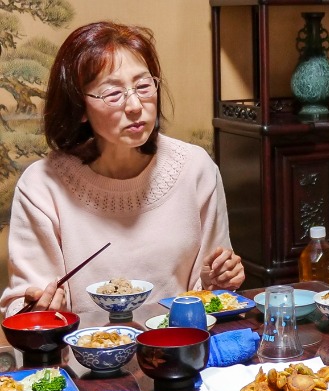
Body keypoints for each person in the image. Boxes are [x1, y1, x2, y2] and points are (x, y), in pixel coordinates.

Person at [0, 21, 244, 316]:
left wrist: (216, 280)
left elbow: (211, 294)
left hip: (179, 353)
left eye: (143, 86)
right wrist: (40, 308)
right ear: (79, 107)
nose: (135, 106)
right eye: (113, 94)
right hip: (81, 358)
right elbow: (22, 305)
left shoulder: (195, 169)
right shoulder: (42, 185)